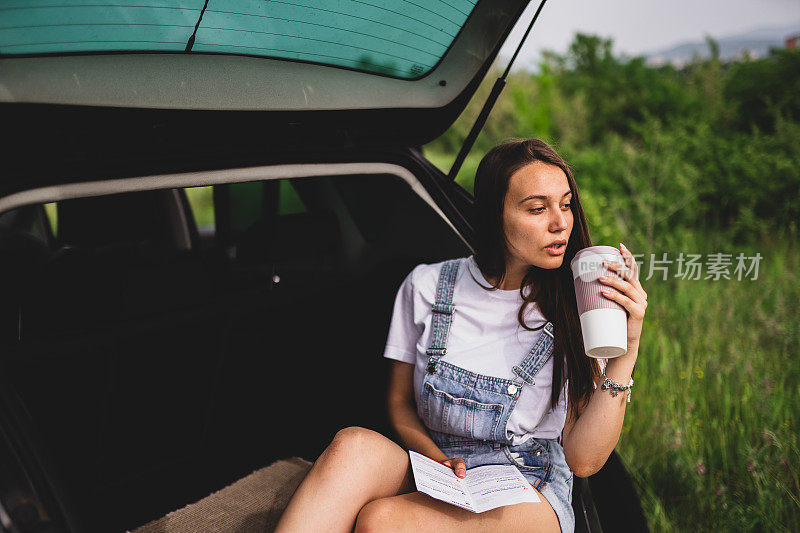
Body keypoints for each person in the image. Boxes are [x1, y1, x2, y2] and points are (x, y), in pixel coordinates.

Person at [273, 138, 648, 533]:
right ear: (492, 216)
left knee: (381, 521)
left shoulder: (580, 304)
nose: (560, 223)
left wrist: (629, 348)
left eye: (566, 204)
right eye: (538, 208)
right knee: (350, 447)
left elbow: (584, 460)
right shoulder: (426, 285)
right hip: (439, 467)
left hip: (527, 486)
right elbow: (399, 402)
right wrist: (435, 458)